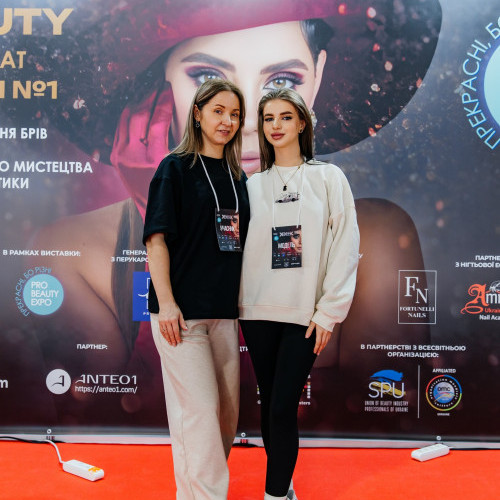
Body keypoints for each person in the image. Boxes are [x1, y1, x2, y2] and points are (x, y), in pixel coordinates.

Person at [21, 0, 439, 429]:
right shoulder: (70, 253)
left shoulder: (375, 237)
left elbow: (384, 428)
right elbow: (124, 430)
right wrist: (165, 219)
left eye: (282, 80)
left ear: (317, 78)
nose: (248, 120)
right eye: (207, 78)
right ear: (158, 91)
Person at [239, 88, 359, 500]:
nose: (276, 126)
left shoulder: (328, 178)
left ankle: (273, 495)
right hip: (257, 310)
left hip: (304, 313)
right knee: (270, 403)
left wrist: (329, 312)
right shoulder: (251, 185)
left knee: (281, 405)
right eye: (268, 118)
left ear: (302, 122)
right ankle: (283, 486)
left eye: (285, 117)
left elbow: (346, 245)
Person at [142, 78, 250, 499]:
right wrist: (167, 304)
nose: (227, 121)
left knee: (225, 418)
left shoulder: (238, 176)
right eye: (218, 111)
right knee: (200, 413)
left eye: (235, 114)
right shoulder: (174, 168)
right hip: (181, 316)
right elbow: (156, 240)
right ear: (198, 113)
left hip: (223, 313)